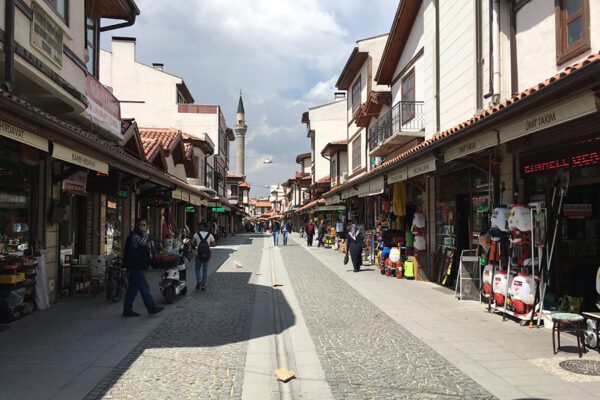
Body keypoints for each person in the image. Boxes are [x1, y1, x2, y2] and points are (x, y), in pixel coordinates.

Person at [122, 218, 164, 317]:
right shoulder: (135, 236)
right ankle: (151, 308)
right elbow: (143, 243)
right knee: (144, 288)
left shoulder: (140, 235)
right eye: (142, 225)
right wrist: (147, 234)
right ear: (138, 226)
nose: (144, 227)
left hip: (136, 266)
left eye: (145, 225)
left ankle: (127, 310)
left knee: (132, 289)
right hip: (135, 266)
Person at [192, 222, 216, 291]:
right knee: (205, 270)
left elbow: (191, 242)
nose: (198, 228)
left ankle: (199, 280)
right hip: (207, 255)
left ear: (201, 226)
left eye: (199, 226)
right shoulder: (210, 235)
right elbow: (214, 244)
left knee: (197, 269)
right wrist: (208, 246)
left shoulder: (196, 234)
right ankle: (203, 286)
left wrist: (196, 246)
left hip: (199, 254)